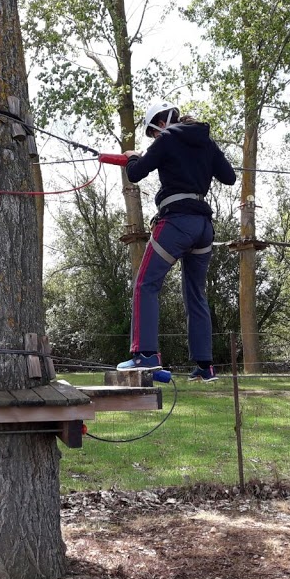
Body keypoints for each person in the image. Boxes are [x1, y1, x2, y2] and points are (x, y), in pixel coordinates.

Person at [101, 99, 236, 382]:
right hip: (203, 227)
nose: (154, 138)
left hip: (177, 223)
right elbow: (230, 177)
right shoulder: (206, 142)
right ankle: (205, 367)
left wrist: (134, 157)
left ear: (161, 123)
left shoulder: (166, 139)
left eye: (152, 133)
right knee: (196, 294)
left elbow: (135, 173)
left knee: (146, 284)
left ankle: (145, 355)